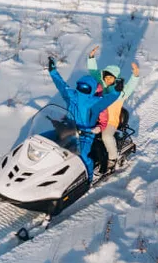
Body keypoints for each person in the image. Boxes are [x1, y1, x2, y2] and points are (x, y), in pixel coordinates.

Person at [47, 56, 121, 181]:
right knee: (53, 148)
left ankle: (88, 179)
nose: (83, 89)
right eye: (81, 86)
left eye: (86, 87)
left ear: (92, 89)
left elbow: (108, 99)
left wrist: (116, 91)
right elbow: (61, 84)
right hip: (69, 130)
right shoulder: (72, 95)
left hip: (86, 134)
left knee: (82, 156)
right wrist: (53, 71)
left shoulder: (95, 102)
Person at [87, 45, 141, 173]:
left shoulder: (120, 93)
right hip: (97, 119)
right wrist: (91, 57)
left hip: (111, 122)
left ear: (115, 78)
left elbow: (130, 87)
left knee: (106, 137)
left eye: (111, 78)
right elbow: (94, 73)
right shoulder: (102, 88)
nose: (108, 80)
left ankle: (112, 158)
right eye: (106, 77)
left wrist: (135, 75)